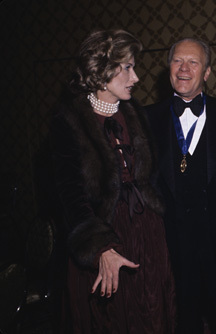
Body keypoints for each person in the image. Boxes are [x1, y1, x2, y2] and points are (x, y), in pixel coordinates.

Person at [50, 29, 176, 333]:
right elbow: (70, 195)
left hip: (148, 232)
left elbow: (153, 177)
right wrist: (101, 248)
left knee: (153, 312)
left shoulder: (136, 114)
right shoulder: (69, 121)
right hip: (105, 235)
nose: (136, 77)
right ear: (102, 69)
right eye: (128, 68)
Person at [146, 38, 216, 334]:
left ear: (208, 72)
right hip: (169, 249)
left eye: (193, 62)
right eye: (177, 61)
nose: (184, 69)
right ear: (168, 68)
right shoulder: (145, 119)